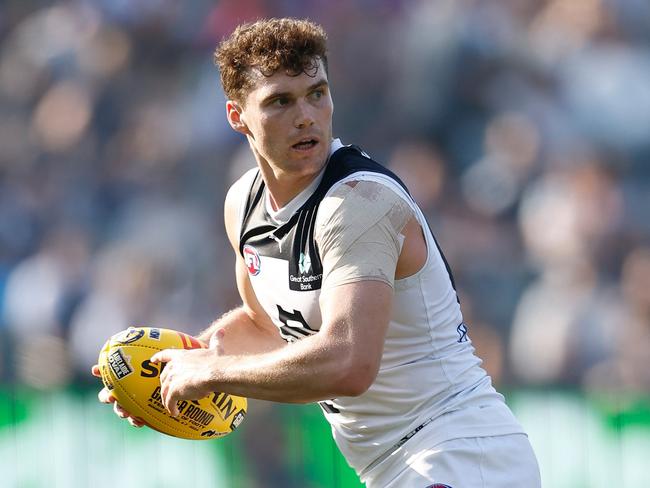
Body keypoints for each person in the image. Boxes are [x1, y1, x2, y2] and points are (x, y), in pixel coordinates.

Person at [93, 18, 541, 487]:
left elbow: (349, 363)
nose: (305, 115)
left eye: (317, 93)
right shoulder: (243, 204)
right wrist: (168, 371)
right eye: (280, 101)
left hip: (460, 452)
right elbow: (268, 326)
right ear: (236, 116)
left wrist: (212, 373)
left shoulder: (358, 202)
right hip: (400, 465)